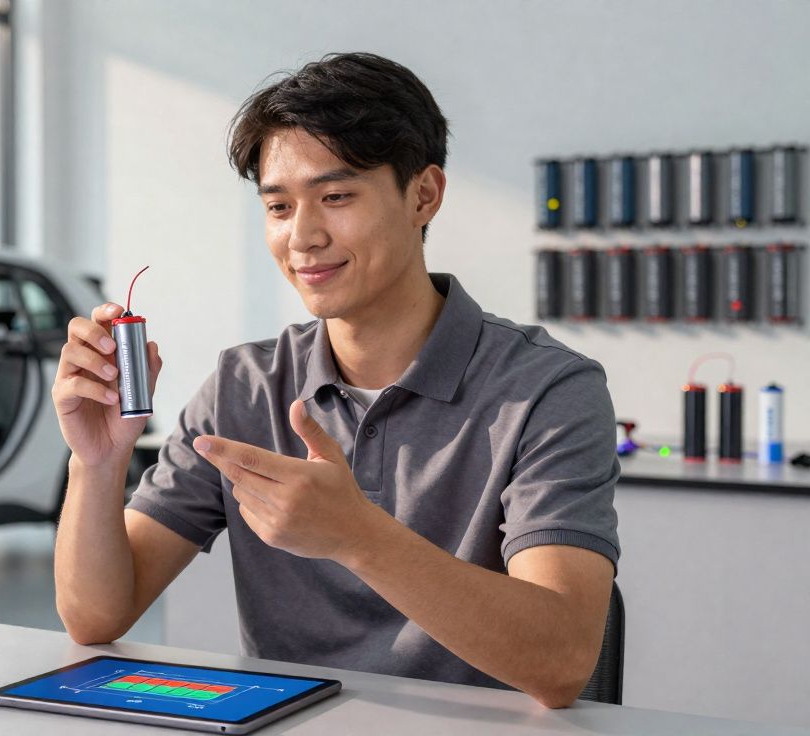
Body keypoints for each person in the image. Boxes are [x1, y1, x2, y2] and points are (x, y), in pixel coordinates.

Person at [51, 52, 619, 709]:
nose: (303, 236)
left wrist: (358, 536)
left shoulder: (548, 391)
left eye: (337, 196)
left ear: (423, 194)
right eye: (279, 206)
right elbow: (95, 617)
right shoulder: (246, 384)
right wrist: (95, 463)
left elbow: (563, 662)